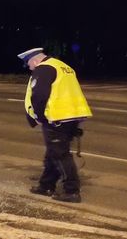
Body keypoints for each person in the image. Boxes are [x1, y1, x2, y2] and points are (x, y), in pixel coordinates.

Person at [18, 47, 92, 203]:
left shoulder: (44, 68)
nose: (30, 68)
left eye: (29, 64)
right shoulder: (63, 67)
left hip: (57, 117)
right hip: (72, 116)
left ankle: (71, 190)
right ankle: (46, 185)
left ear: (36, 60)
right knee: (53, 151)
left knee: (60, 154)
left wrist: (38, 116)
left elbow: (39, 95)